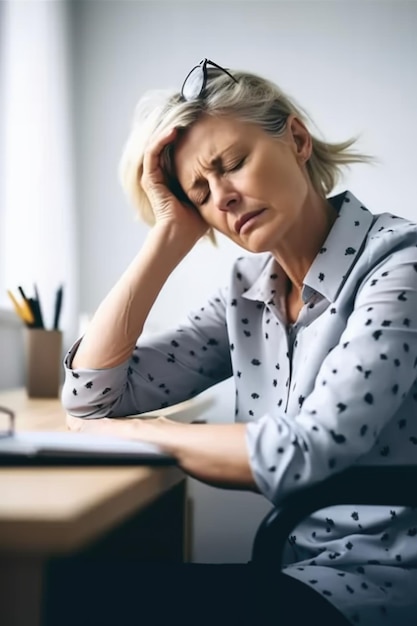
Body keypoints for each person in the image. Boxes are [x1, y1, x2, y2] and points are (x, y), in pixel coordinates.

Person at [60, 58, 417, 626]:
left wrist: (145, 433)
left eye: (233, 164)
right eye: (200, 191)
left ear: (296, 138)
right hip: (298, 570)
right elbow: (91, 396)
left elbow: (306, 451)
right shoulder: (251, 292)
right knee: (67, 586)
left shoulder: (400, 267)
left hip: (385, 585)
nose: (222, 198)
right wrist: (170, 234)